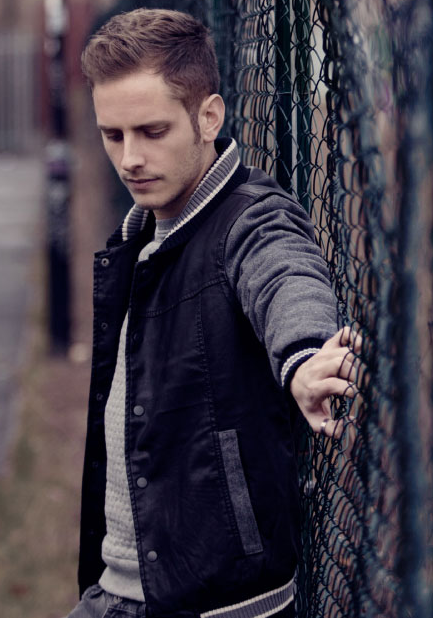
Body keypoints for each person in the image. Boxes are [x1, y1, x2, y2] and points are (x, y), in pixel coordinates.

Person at [67, 8, 358, 618]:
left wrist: (304, 356)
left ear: (209, 117)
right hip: (118, 590)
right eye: (113, 136)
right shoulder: (143, 237)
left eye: (152, 131)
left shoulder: (249, 219)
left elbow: (284, 275)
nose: (130, 158)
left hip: (213, 605)